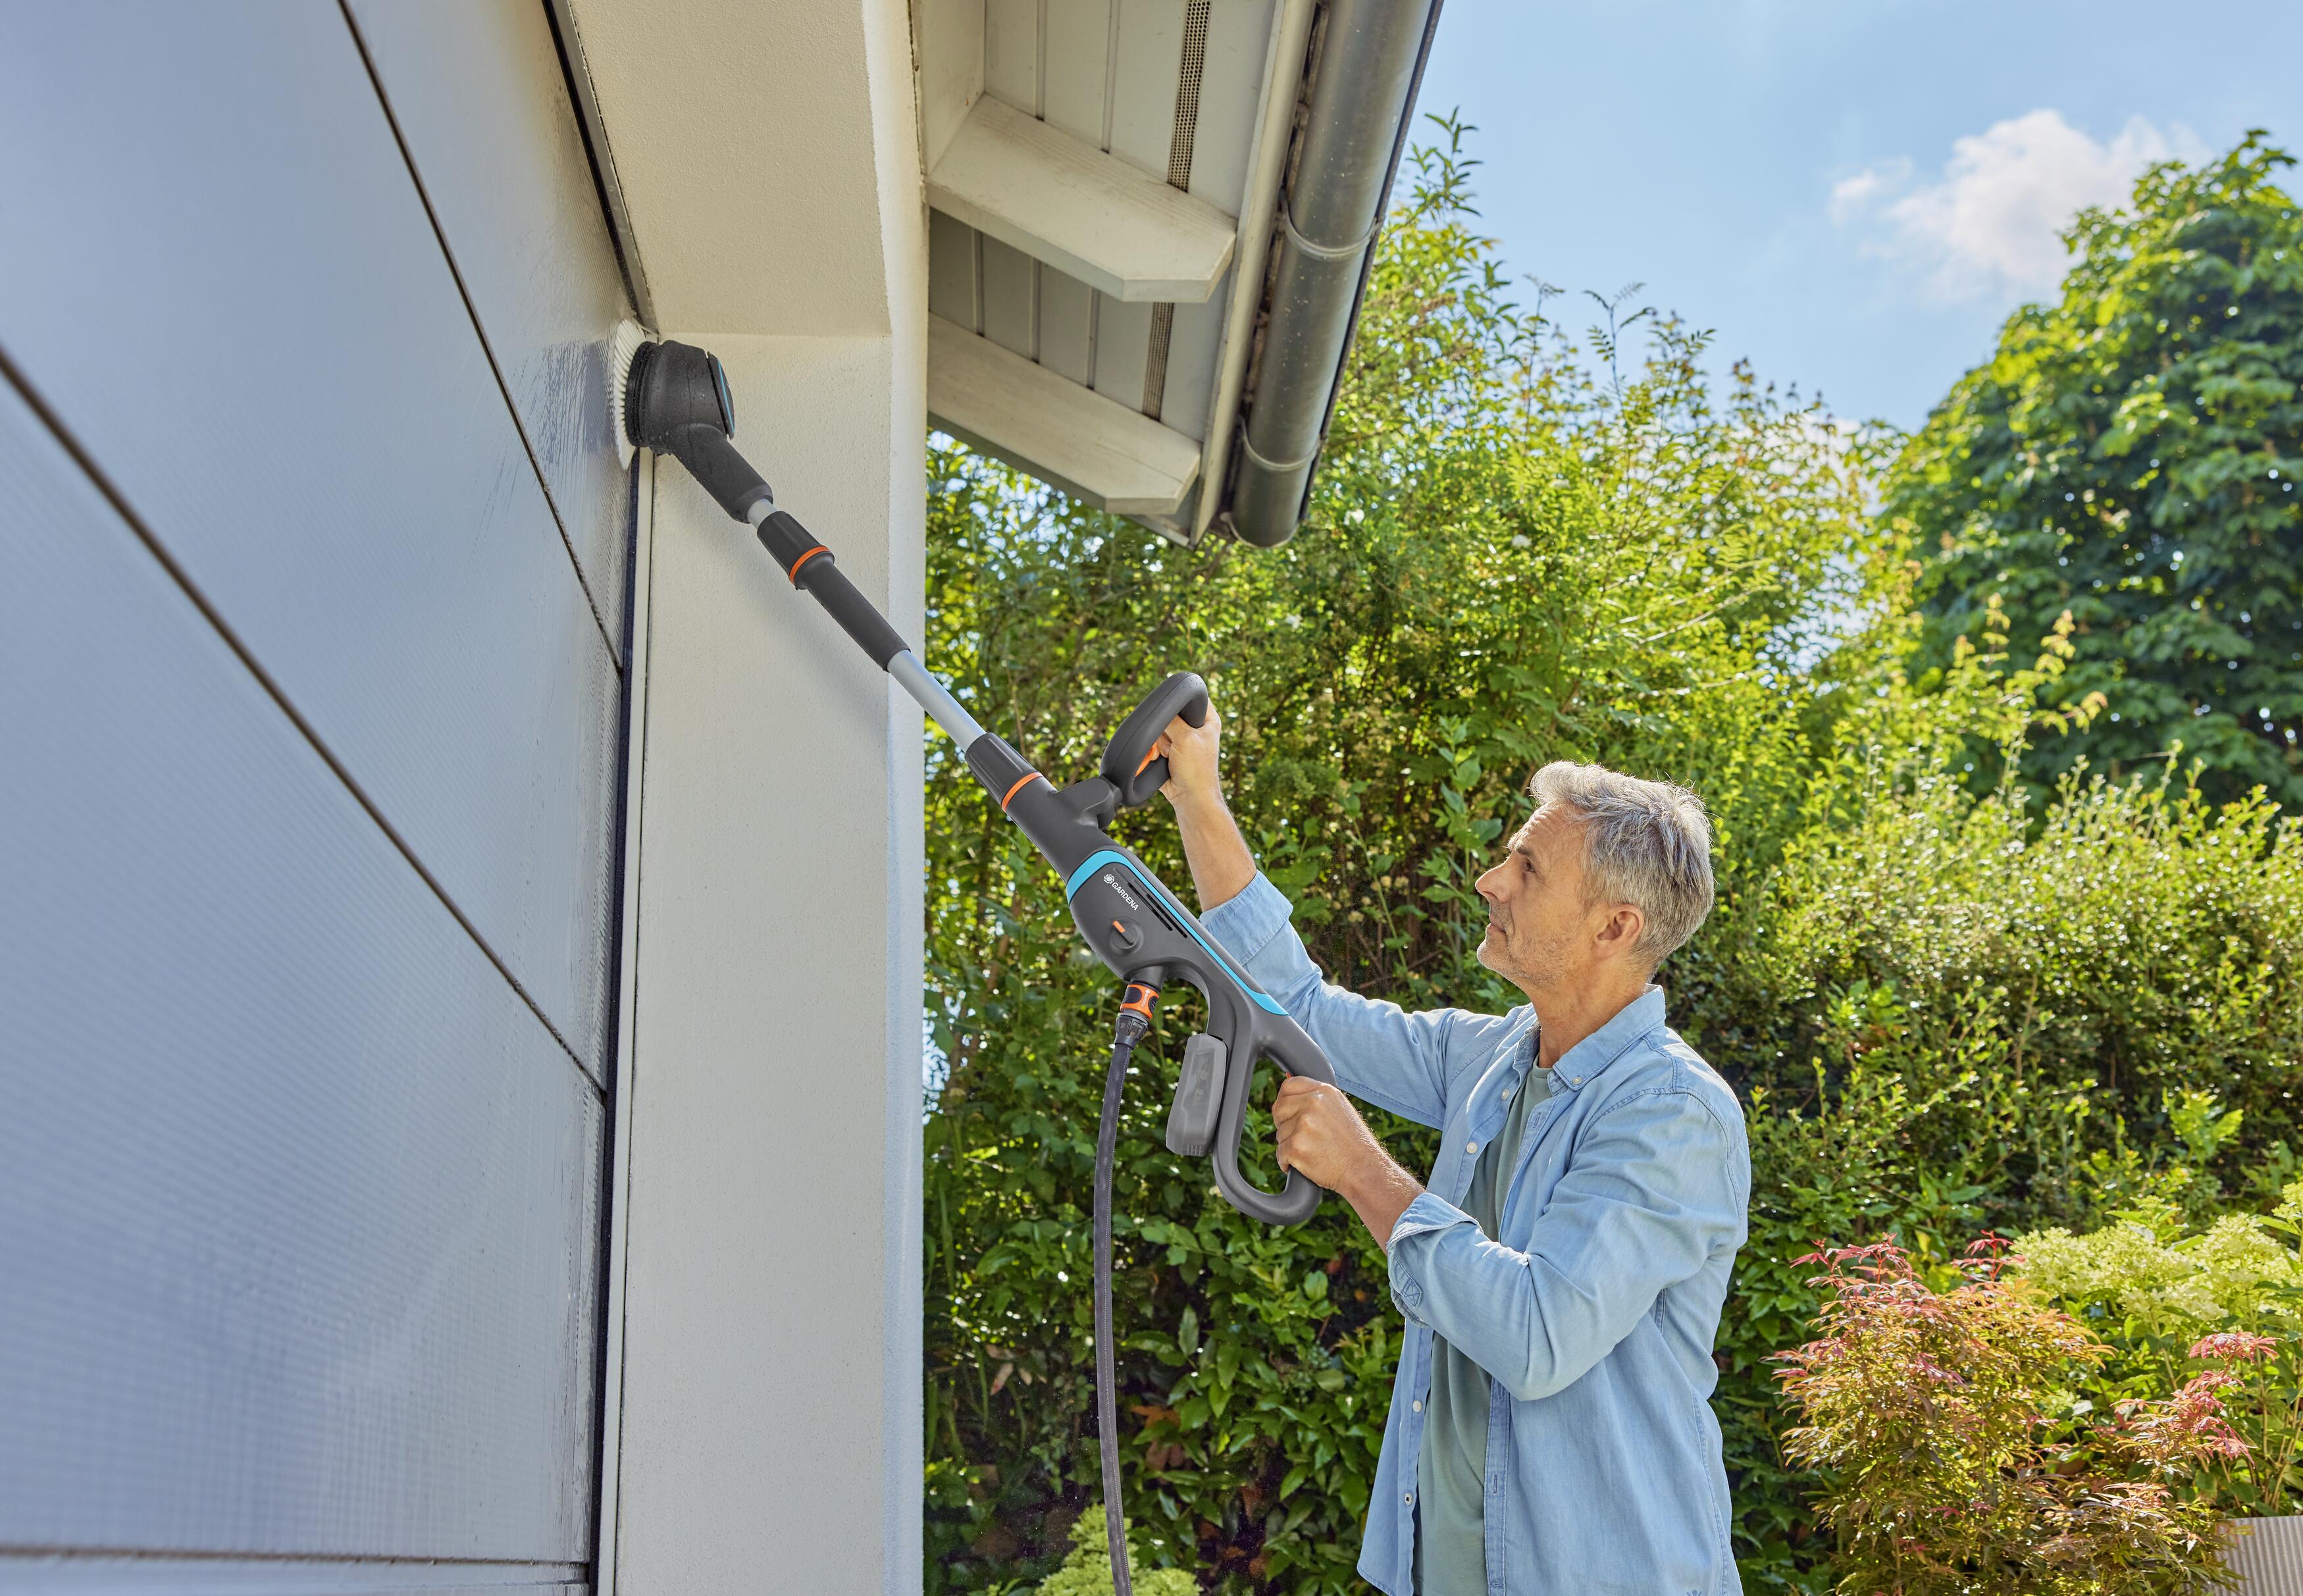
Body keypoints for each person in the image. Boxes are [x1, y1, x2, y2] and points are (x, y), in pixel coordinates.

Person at [1155, 706, 1749, 1596]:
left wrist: (1362, 1171)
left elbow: (1540, 1331)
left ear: (1615, 927)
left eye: (1528, 868)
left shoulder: (1673, 1113)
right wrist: (1198, 794)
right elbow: (1298, 1007)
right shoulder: (1495, 1057)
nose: (1488, 879)